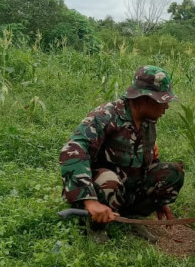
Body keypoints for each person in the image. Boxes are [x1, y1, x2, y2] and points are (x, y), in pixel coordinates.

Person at [59, 65, 184, 243]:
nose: (167, 106)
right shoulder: (106, 116)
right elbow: (72, 151)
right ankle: (96, 226)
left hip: (128, 188)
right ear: (145, 99)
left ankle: (131, 218)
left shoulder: (148, 122)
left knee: (173, 173)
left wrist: (160, 199)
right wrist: (90, 201)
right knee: (108, 180)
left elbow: (149, 161)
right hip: (100, 188)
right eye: (163, 100)